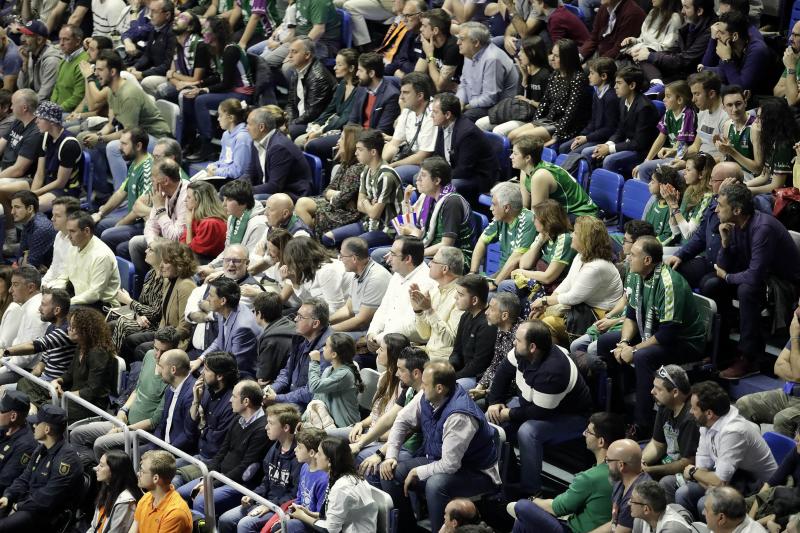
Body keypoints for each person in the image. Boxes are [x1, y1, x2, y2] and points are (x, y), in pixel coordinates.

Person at [597, 236, 706, 434]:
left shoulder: (669, 284)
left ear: (647, 261)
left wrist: (634, 348)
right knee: (605, 343)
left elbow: (668, 334)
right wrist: (624, 342)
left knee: (643, 356)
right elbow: (631, 314)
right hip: (652, 333)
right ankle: (616, 410)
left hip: (685, 342)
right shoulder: (635, 275)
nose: (627, 258)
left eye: (633, 255)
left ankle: (642, 424)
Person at [380, 361, 498, 532]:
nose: (421, 387)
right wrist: (391, 456)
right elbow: (402, 420)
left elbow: (450, 465)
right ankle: (407, 528)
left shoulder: (459, 415)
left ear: (440, 388)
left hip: (476, 471)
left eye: (425, 384)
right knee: (390, 472)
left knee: (436, 484)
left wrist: (417, 471)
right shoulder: (427, 394)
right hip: (440, 460)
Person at [487, 320, 593, 497]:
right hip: (534, 403)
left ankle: (531, 491)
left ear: (532, 347)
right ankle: (508, 478)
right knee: (490, 419)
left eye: (518, 340)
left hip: (570, 417)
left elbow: (539, 413)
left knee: (528, 432)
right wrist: (494, 402)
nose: (514, 342)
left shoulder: (554, 370)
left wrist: (509, 414)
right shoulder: (522, 352)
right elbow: (503, 372)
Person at [711, 182, 800, 379]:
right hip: (762, 277)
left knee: (746, 289)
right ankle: (721, 347)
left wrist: (727, 276)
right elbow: (724, 266)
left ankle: (749, 357)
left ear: (737, 209)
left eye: (720, 205)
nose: (716, 209)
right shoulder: (735, 225)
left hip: (784, 283)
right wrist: (725, 243)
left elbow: (753, 275)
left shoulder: (763, 228)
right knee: (713, 285)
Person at [663, 381, 777, 519]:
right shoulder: (706, 424)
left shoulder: (733, 431)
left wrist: (693, 472)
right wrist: (701, 476)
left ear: (709, 413)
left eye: (693, 408)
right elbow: (704, 470)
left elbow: (717, 480)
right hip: (734, 480)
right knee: (682, 493)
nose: (690, 412)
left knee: (704, 504)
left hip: (758, 490)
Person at [69, 327, 175, 463]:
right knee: (77, 434)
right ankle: (92, 471)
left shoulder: (172, 377)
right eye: (156, 348)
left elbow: (154, 421)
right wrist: (123, 410)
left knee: (100, 444)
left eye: (164, 351)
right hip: (125, 421)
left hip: (142, 432)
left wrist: (122, 429)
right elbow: (138, 389)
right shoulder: (149, 355)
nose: (158, 355)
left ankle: (106, 477)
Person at [509, 412, 626, 533]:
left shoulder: (590, 478)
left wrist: (532, 500)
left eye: (588, 432)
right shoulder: (626, 470)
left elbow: (557, 508)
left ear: (601, 442)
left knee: (522, 506)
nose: (584, 434)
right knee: (522, 523)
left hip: (571, 530)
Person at [77, 50, 170, 192]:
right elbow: (111, 122)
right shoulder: (111, 91)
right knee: (86, 139)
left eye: (100, 70)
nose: (96, 74)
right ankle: (102, 191)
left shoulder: (128, 94)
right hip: (138, 135)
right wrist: (98, 135)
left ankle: (121, 194)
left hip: (157, 138)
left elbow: (130, 133)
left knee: (114, 147)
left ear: (113, 71)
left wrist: (101, 138)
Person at [178, 380, 270, 518]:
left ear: (246, 402)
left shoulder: (262, 429)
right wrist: (207, 477)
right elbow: (222, 452)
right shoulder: (237, 419)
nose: (230, 400)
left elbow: (245, 470)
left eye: (234, 396)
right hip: (220, 476)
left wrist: (211, 485)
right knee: (180, 493)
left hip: (239, 484)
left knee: (201, 501)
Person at [530, 216, 624, 347]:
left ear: (586, 239)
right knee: (537, 318)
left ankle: (558, 360)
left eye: (575, 233)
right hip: (583, 307)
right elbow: (567, 282)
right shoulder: (581, 255)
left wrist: (545, 301)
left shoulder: (597, 266)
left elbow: (573, 297)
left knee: (546, 324)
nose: (572, 235)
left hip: (600, 315)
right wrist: (546, 305)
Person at [217, 403, 302, 533]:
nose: (266, 427)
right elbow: (266, 480)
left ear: (285, 427)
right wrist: (254, 495)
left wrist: (270, 506)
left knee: (245, 525)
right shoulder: (274, 448)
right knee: (225, 519)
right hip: (265, 501)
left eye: (271, 423)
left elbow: (294, 494)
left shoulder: (299, 457)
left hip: (280, 507)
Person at [181, 17, 254, 163]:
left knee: (201, 100)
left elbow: (226, 83)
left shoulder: (230, 50)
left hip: (242, 94)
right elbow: (218, 77)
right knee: (187, 96)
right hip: (231, 91)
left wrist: (203, 91)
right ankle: (189, 141)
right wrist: (198, 84)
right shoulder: (219, 50)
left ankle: (206, 145)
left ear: (216, 33)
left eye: (206, 30)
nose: (203, 32)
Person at [0, 404, 83, 530]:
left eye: (37, 423)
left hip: (46, 515)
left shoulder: (67, 461)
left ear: (47, 429)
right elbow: (24, 478)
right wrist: (8, 496)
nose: (33, 426)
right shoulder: (41, 449)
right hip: (28, 504)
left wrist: (17, 506)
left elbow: (47, 499)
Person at [388, 156, 475, 265]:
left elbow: (446, 245)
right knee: (381, 255)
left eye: (423, 175)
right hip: (430, 252)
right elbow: (416, 228)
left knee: (403, 263)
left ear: (437, 180)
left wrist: (413, 254)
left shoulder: (452, 202)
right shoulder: (428, 198)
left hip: (454, 260)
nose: (417, 179)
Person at [325, 129, 402, 248]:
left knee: (351, 246)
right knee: (327, 238)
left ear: (373, 152)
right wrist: (369, 203)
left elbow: (374, 214)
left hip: (387, 230)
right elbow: (359, 206)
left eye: (360, 150)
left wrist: (366, 201)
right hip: (367, 224)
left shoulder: (387, 176)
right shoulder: (366, 170)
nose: (356, 153)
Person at [508, 39, 591, 147]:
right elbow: (544, 102)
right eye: (552, 54)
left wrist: (557, 136)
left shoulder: (578, 78)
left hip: (565, 125)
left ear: (567, 58)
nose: (552, 58)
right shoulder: (555, 75)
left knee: (521, 138)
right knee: (511, 135)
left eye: (556, 56)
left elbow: (571, 113)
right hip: (549, 119)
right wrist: (534, 123)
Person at [289, 437, 378, 532]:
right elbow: (332, 516)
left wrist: (302, 516)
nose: (315, 456)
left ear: (330, 461)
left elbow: (329, 530)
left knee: (292, 526)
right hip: (344, 527)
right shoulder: (339, 476)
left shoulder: (342, 487)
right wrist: (308, 513)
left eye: (319, 453)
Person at [175, 352, 238, 485]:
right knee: (159, 467)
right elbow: (189, 429)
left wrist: (202, 425)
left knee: (176, 479)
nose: (202, 372)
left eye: (207, 370)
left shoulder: (231, 403)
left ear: (220, 376)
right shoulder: (205, 392)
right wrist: (196, 401)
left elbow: (216, 444)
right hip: (197, 454)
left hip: (212, 462)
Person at [735, 309, 800, 436]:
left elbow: (797, 374)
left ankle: (787, 455)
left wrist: (795, 338)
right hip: (789, 394)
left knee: (782, 420)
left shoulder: (796, 334)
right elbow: (779, 366)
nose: (797, 311)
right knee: (743, 405)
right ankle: (755, 452)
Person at [587, 65, 660, 176]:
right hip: (628, 145)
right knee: (587, 152)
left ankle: (607, 191)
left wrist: (610, 149)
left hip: (642, 151)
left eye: (619, 83)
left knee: (609, 160)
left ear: (632, 85)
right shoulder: (622, 101)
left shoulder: (645, 107)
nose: (615, 87)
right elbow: (620, 130)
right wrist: (607, 145)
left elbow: (639, 143)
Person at [296, 124, 364, 241]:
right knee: (301, 205)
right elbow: (327, 190)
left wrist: (336, 195)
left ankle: (312, 245)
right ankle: (311, 243)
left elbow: (340, 201)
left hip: (348, 214)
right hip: (337, 206)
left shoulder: (357, 168)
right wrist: (336, 194)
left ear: (350, 142)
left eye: (342, 138)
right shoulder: (345, 163)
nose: (338, 141)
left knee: (304, 210)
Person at [91, 127, 153, 257]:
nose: (120, 148)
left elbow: (139, 210)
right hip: (134, 219)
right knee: (98, 223)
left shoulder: (148, 169)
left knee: (107, 234)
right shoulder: (135, 163)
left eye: (124, 144)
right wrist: (100, 213)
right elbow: (121, 192)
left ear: (138, 146)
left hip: (145, 224)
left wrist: (119, 224)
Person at [9, 288, 75, 406]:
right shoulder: (51, 328)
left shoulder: (67, 331)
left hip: (54, 388)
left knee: (13, 399)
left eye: (43, 305)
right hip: (43, 382)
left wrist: (7, 351)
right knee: (5, 390)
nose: (39, 309)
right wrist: (33, 378)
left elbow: (36, 345)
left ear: (57, 310)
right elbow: (44, 361)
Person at [476, 35, 552, 137]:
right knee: (480, 123)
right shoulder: (525, 71)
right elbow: (518, 98)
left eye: (522, 51)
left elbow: (547, 107)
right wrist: (525, 77)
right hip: (519, 112)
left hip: (532, 117)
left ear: (533, 53)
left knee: (498, 131)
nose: (519, 54)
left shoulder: (545, 75)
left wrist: (528, 101)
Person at [266, 298, 333, 411]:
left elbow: (311, 392)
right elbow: (287, 371)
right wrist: (272, 389)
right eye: (297, 315)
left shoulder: (327, 351)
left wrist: (278, 398)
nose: (296, 319)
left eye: (300, 317)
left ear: (315, 323)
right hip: (291, 396)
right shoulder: (301, 338)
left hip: (309, 405)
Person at [367, 237, 435, 347]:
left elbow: (413, 327)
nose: (388, 258)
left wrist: (379, 338)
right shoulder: (397, 275)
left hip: (408, 347)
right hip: (385, 341)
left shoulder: (426, 282)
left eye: (393, 254)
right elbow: (383, 308)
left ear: (407, 259)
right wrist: (372, 333)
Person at [503, 200, 577, 300]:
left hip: (552, 290)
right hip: (538, 284)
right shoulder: (544, 235)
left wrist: (521, 272)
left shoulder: (565, 239)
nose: (533, 221)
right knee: (505, 286)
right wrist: (539, 241)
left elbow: (548, 277)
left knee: (506, 286)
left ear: (547, 220)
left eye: (535, 218)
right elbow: (524, 264)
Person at [430, 91, 498, 199]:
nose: (431, 115)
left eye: (435, 112)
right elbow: (438, 155)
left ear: (447, 114)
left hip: (477, 178)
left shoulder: (467, 133)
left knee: (447, 186)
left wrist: (439, 178)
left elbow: (464, 170)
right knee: (421, 179)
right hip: (454, 172)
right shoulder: (442, 125)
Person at [54, 307, 117, 423]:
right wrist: (58, 381)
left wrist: (66, 395)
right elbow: (70, 373)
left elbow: (92, 390)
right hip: (75, 398)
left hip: (91, 405)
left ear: (85, 329)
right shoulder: (81, 346)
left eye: (73, 326)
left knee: (51, 409)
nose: (69, 329)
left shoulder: (98, 353)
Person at [128, 158, 190, 274]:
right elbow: (150, 225)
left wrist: (161, 209)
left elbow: (176, 237)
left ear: (165, 181)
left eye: (153, 179)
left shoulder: (187, 196)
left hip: (181, 245)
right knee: (134, 243)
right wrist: (152, 244)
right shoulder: (160, 192)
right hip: (162, 240)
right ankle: (146, 284)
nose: (152, 183)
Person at [191, 277, 260, 377]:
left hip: (243, 376)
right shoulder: (224, 311)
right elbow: (219, 340)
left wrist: (206, 371)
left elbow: (235, 365)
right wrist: (200, 359)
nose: (207, 299)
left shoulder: (242, 328)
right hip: (227, 366)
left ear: (223, 300)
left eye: (210, 295)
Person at [50, 211, 121, 309]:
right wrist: (55, 291)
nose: (68, 236)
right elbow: (64, 275)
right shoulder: (74, 246)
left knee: (61, 311)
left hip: (102, 305)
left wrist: (67, 302)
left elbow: (94, 294)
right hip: (79, 298)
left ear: (87, 231)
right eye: (68, 231)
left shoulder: (101, 255)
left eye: (73, 231)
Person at [641, 365, 700, 482]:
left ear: (675, 392)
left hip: (688, 471)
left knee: (658, 481)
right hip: (669, 460)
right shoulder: (664, 405)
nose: (652, 391)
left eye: (658, 389)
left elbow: (688, 462)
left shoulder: (691, 417)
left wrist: (649, 470)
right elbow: (658, 444)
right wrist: (641, 462)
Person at [471, 182, 537, 284]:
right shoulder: (500, 219)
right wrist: (473, 272)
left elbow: (516, 259)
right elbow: (481, 242)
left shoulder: (528, 220)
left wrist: (495, 284)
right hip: (501, 275)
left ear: (506, 208)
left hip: (519, 280)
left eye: (494, 204)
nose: (491, 208)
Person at [513, 136, 597, 216]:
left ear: (527, 158)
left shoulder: (540, 176)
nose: (511, 156)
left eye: (515, 154)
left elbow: (536, 215)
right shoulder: (525, 170)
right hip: (563, 213)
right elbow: (524, 205)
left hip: (581, 214)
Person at [294, 49, 360, 151]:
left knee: (302, 142)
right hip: (331, 125)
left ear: (351, 68)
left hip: (343, 130)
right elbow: (330, 109)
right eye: (335, 64)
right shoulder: (342, 84)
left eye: (339, 65)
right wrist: (317, 124)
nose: (334, 68)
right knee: (297, 136)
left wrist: (321, 131)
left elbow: (345, 118)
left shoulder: (359, 90)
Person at [633, 80, 698, 183]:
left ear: (679, 100)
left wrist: (671, 167)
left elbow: (682, 144)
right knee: (641, 169)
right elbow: (661, 137)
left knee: (656, 175)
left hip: (683, 158)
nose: (663, 100)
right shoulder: (669, 112)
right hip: (672, 154)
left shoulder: (688, 114)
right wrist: (646, 160)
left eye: (668, 96)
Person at [637, 0, 715, 84]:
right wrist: (649, 53)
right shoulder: (692, 25)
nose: (682, 11)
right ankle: (656, 83)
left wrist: (651, 56)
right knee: (643, 59)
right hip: (681, 70)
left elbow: (685, 61)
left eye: (686, 7)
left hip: (693, 77)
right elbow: (676, 50)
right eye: (683, 6)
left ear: (699, 11)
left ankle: (656, 84)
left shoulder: (709, 31)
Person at [112, 239, 165, 359]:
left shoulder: (165, 280)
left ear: (161, 255)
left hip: (156, 324)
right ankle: (110, 360)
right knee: (112, 321)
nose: (145, 251)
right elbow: (141, 302)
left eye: (150, 249)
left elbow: (156, 313)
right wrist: (138, 316)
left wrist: (128, 301)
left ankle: (116, 364)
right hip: (143, 319)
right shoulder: (151, 274)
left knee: (122, 323)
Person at [454, 22, 518, 122]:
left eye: (462, 39)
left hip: (498, 107)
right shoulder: (469, 54)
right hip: (476, 104)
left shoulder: (492, 59)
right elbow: (464, 84)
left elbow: (490, 98)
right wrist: (459, 101)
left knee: (461, 119)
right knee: (443, 110)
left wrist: (467, 106)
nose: (458, 42)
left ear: (476, 43)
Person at [270, 427, 328, 533]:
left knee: (289, 526)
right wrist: (289, 515)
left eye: (299, 447)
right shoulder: (304, 467)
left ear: (311, 453)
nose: (295, 449)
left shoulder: (324, 480)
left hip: (312, 524)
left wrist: (293, 519)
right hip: (300, 516)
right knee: (276, 527)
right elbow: (299, 499)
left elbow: (321, 517)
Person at [558, 57, 619, 156]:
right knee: (563, 147)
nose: (589, 76)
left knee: (575, 153)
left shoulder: (611, 97)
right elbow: (593, 120)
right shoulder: (596, 94)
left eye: (592, 73)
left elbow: (609, 129)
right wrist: (581, 135)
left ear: (603, 76)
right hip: (594, 135)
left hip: (604, 139)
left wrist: (587, 138)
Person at [745, 97, 798, 214]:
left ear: (772, 120)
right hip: (772, 187)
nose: (756, 122)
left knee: (750, 202)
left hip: (786, 195)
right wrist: (743, 186)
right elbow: (764, 176)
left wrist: (747, 191)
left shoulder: (783, 146)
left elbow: (776, 185)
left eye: (760, 118)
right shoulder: (771, 139)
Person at [330, 237, 391, 336]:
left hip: (375, 333)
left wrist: (329, 331)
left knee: (329, 340)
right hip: (362, 327)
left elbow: (362, 320)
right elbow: (348, 310)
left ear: (354, 258)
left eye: (342, 256)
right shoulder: (357, 274)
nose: (340, 260)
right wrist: (326, 323)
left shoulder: (376, 278)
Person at [0, 90, 42, 234]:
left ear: (24, 108)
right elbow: (1, 144)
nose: (10, 108)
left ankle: (10, 235)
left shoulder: (35, 132)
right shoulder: (17, 121)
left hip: (24, 178)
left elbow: (19, 169)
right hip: (6, 171)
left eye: (13, 104)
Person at [412, 246, 465, 361]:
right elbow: (425, 335)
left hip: (444, 359)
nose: (429, 264)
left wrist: (430, 311)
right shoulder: (434, 290)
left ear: (445, 269)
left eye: (434, 261)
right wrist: (418, 311)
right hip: (429, 352)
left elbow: (449, 341)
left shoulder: (461, 296)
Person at [700, 11, 772, 95]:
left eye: (722, 33)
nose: (717, 36)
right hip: (736, 93)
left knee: (712, 90)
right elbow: (723, 73)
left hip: (757, 99)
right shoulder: (730, 45)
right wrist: (705, 69)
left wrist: (726, 60)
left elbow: (740, 89)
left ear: (735, 36)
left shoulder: (757, 50)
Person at [383, 72, 436, 185]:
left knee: (391, 175)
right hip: (409, 157)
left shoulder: (433, 113)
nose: (401, 97)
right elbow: (394, 143)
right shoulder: (408, 109)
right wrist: (380, 164)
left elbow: (422, 157)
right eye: (401, 92)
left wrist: (392, 165)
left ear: (420, 96)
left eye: (406, 93)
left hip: (426, 164)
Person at [29, 100, 82, 211]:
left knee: (30, 206)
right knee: (12, 195)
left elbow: (60, 182)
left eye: (40, 118)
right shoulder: (44, 137)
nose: (36, 121)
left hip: (66, 190)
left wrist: (34, 194)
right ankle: (11, 228)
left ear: (52, 121)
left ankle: (41, 228)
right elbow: (40, 173)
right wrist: (31, 194)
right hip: (47, 184)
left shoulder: (69, 144)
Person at [468, 293, 520, 403]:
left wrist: (486, 392)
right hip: (495, 387)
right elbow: (495, 364)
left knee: (477, 404)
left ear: (504, 316)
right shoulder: (501, 329)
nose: (486, 312)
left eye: (491, 309)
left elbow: (514, 379)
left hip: (513, 392)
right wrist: (480, 387)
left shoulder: (520, 338)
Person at [449, 274, 497, 390]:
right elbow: (457, 351)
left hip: (477, 379)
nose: (455, 297)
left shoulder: (487, 325)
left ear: (474, 300)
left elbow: (478, 365)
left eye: (460, 294)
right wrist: (449, 367)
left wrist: (453, 377)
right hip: (463, 371)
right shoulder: (465, 316)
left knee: (445, 388)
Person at [306, 333, 363, 429]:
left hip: (345, 427)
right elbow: (317, 396)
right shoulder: (328, 370)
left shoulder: (345, 374)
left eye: (326, 346)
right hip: (330, 424)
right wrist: (304, 418)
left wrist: (315, 362)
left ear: (334, 354)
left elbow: (314, 386)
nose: (323, 348)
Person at [279, 237, 348, 313]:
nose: (289, 266)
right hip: (321, 312)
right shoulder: (309, 268)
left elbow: (336, 309)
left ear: (300, 260)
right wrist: (294, 280)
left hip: (339, 317)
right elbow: (308, 301)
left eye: (291, 262)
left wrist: (309, 320)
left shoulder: (327, 271)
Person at [285, 37, 336, 138]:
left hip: (313, 123)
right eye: (289, 52)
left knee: (283, 133)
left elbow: (312, 113)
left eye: (294, 52)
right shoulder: (297, 70)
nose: (289, 56)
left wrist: (290, 124)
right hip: (300, 119)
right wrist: (289, 121)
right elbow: (291, 103)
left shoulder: (318, 77)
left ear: (307, 55)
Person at [132, 450, 193, 533]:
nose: (138, 474)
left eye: (142, 471)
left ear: (155, 478)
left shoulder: (175, 513)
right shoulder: (146, 498)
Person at [0, 267, 48, 370]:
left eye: (15, 285)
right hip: (14, 363)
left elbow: (25, 358)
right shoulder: (30, 307)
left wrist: (3, 363)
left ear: (31, 287)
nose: (10, 290)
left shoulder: (34, 311)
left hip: (25, 370)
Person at [153, 350, 198, 453]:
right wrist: (153, 449)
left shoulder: (192, 393)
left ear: (173, 370)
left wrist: (164, 453)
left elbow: (188, 435)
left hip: (179, 451)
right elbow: (162, 424)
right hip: (164, 447)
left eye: (161, 367)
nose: (159, 371)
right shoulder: (169, 389)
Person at [196, 98, 252, 181]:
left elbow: (239, 171)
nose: (218, 119)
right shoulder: (226, 134)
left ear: (231, 118)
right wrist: (214, 165)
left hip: (237, 181)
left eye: (221, 115)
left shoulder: (242, 138)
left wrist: (216, 172)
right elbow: (223, 160)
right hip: (225, 176)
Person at [125, 0, 176, 89]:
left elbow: (167, 65)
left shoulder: (173, 33)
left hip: (169, 75)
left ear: (167, 15)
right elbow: (147, 55)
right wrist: (135, 67)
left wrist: (143, 74)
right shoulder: (154, 27)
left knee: (146, 82)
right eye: (150, 10)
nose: (150, 15)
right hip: (154, 69)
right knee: (126, 73)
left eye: (154, 11)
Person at [88, 450, 141, 533]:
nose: (96, 468)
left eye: (101, 466)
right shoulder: (106, 489)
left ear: (114, 470)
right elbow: (94, 528)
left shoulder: (126, 501)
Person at [254, 291, 300, 385]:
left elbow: (263, 377)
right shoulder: (291, 325)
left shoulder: (270, 340)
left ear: (259, 313)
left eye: (253, 311)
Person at [578, 0, 646, 60]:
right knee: (572, 60)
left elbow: (619, 49)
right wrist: (581, 55)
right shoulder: (604, 7)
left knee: (581, 72)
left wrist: (594, 65)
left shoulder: (633, 14)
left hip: (616, 59)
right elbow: (593, 38)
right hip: (600, 53)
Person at [180, 181, 227, 263]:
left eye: (188, 197)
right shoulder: (196, 218)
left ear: (198, 200)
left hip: (210, 264)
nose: (185, 200)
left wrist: (189, 225)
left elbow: (190, 251)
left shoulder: (210, 223)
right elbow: (182, 244)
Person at [0, 391, 37, 494]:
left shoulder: (26, 445)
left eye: (1, 411)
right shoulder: (5, 429)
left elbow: (4, 481)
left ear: (13, 416)